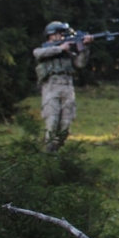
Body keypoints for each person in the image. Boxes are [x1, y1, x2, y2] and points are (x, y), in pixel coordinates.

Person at [33, 21, 93, 152]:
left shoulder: (68, 53)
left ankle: (55, 152)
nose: (62, 37)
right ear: (51, 35)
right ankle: (48, 156)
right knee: (52, 122)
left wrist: (85, 48)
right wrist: (60, 48)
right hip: (51, 88)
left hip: (67, 88)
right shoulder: (45, 50)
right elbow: (37, 53)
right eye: (60, 34)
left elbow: (80, 64)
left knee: (65, 125)